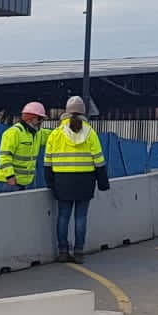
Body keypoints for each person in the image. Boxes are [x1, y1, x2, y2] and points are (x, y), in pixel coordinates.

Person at [44, 95, 108, 262]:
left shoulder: (55, 134)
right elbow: (99, 160)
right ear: (83, 112)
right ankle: (79, 251)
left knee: (63, 216)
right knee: (81, 217)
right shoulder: (91, 133)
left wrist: (50, 182)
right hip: (85, 181)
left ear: (66, 111)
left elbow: (47, 161)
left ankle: (63, 251)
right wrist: (102, 183)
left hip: (62, 180)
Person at [0, 102, 47, 188]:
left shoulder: (38, 133)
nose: (41, 122)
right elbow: (5, 157)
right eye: (39, 118)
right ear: (30, 118)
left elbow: (54, 134)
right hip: (8, 182)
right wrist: (10, 176)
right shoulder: (13, 133)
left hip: (25, 182)